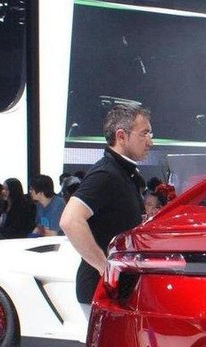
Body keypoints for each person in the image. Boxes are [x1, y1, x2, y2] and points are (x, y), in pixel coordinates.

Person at [60, 103, 153, 311]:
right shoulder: (106, 174)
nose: (150, 141)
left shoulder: (124, 173)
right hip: (101, 291)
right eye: (144, 134)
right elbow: (70, 220)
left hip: (115, 289)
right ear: (121, 136)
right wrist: (105, 268)